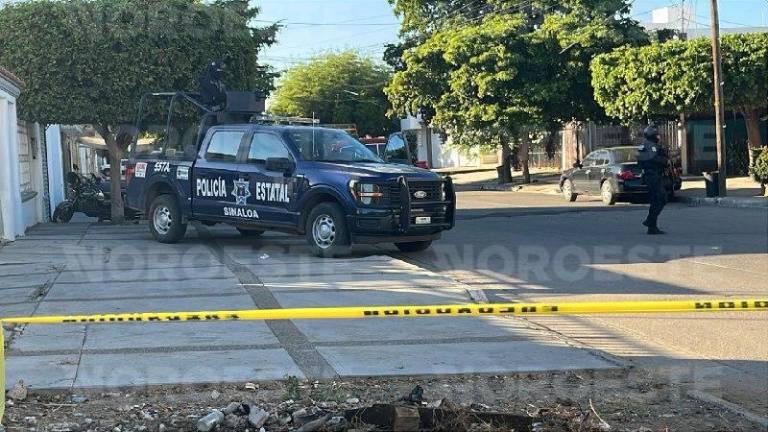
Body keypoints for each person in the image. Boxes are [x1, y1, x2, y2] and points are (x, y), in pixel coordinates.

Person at [637, 124, 669, 235]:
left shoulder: (644, 145)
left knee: (655, 200)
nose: (658, 137)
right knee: (661, 198)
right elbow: (653, 158)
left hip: (650, 175)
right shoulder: (651, 146)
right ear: (652, 135)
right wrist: (664, 160)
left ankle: (652, 227)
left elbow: (640, 160)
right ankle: (650, 220)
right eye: (657, 134)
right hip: (653, 175)